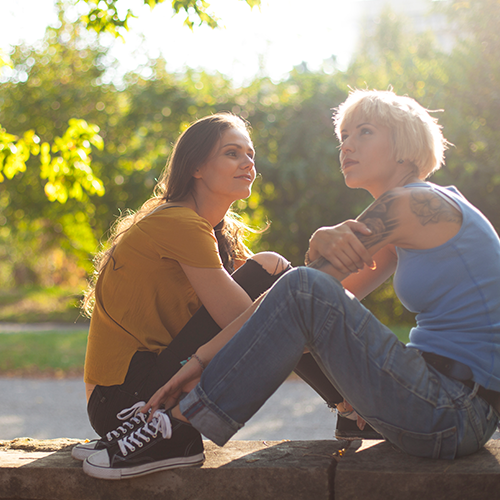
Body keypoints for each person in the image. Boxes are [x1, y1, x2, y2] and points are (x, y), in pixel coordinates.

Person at [82, 89, 500, 480]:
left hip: (455, 408)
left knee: (301, 285)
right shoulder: (403, 221)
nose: (347, 146)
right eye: (344, 137)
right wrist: (199, 362)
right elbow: (294, 309)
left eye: (364, 132)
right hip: (436, 402)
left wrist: (202, 362)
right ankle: (341, 414)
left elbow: (302, 292)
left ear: (405, 143)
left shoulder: (416, 202)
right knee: (300, 286)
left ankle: (175, 430)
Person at [71, 112, 291, 461]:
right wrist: (309, 318)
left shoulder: (212, 231)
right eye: (232, 153)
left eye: (250, 154)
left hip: (135, 394)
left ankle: (345, 407)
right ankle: (347, 406)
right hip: (128, 404)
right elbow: (252, 325)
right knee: (274, 272)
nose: (248, 163)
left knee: (282, 284)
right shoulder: (180, 222)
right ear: (196, 167)